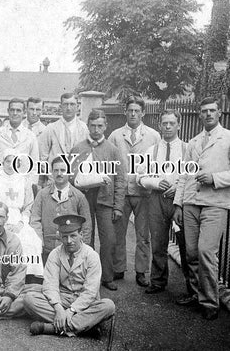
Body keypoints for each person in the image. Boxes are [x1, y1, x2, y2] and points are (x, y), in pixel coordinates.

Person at [173, 97, 230, 320]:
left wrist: (215, 177)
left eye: (212, 110)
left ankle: (209, 301)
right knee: (191, 253)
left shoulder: (227, 139)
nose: (208, 114)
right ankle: (196, 294)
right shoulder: (194, 142)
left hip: (215, 203)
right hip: (190, 202)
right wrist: (178, 203)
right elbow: (184, 174)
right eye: (204, 111)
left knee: (207, 251)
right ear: (199, 114)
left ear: (218, 113)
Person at [24, 214, 115, 337]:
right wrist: (59, 309)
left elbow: (90, 292)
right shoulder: (54, 254)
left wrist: (72, 311)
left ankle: (51, 328)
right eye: (65, 237)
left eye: (73, 236)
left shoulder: (92, 256)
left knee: (108, 306)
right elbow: (50, 285)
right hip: (62, 298)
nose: (69, 241)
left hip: (85, 303)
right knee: (29, 299)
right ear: (60, 237)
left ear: (81, 235)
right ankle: (85, 325)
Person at [69, 109, 126, 290]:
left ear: (106, 126)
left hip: (106, 201)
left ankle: (107, 277)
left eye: (100, 126)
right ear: (87, 125)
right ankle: (86, 276)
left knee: (108, 239)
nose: (96, 129)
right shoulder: (78, 148)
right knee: (86, 238)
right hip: (84, 199)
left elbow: (120, 179)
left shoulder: (113, 150)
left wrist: (118, 206)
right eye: (92, 125)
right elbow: (71, 176)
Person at [108, 96, 160, 287]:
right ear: (125, 112)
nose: (133, 114)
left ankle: (141, 271)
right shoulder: (115, 135)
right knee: (118, 233)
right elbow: (110, 163)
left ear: (143, 113)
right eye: (130, 110)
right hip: (121, 192)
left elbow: (158, 164)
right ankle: (118, 268)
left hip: (144, 193)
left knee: (143, 235)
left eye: (137, 111)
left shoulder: (153, 136)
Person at [137, 110, 187, 294]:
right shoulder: (152, 150)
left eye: (171, 123)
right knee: (158, 242)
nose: (167, 127)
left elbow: (191, 175)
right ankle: (158, 281)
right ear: (160, 125)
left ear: (178, 125)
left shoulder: (186, 149)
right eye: (164, 123)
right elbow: (139, 177)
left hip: (179, 200)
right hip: (157, 199)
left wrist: (177, 188)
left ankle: (191, 287)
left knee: (185, 243)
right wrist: (155, 182)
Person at [0, 149, 43, 278]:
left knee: (31, 241)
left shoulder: (24, 181)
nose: (10, 165)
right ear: (2, 163)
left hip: (18, 219)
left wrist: (21, 223)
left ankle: (28, 277)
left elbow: (29, 206)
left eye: (14, 162)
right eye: (8, 161)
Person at [30, 156, 91, 264]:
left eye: (63, 170)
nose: (59, 174)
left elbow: (86, 225)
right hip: (48, 249)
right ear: (52, 173)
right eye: (56, 170)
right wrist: (39, 242)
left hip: (71, 250)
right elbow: (35, 220)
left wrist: (81, 247)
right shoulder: (42, 195)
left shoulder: (79, 196)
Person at [38, 93, 89, 162]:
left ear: (77, 106)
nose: (68, 108)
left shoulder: (84, 128)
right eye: (65, 104)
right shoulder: (51, 128)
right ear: (60, 106)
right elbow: (42, 153)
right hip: (55, 170)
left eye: (72, 104)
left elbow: (87, 153)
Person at [0, 98, 39, 172]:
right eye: (12, 110)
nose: (15, 113)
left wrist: (30, 183)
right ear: (8, 111)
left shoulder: (30, 136)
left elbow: (35, 165)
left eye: (18, 110)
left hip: (22, 181)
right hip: (0, 181)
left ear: (24, 112)